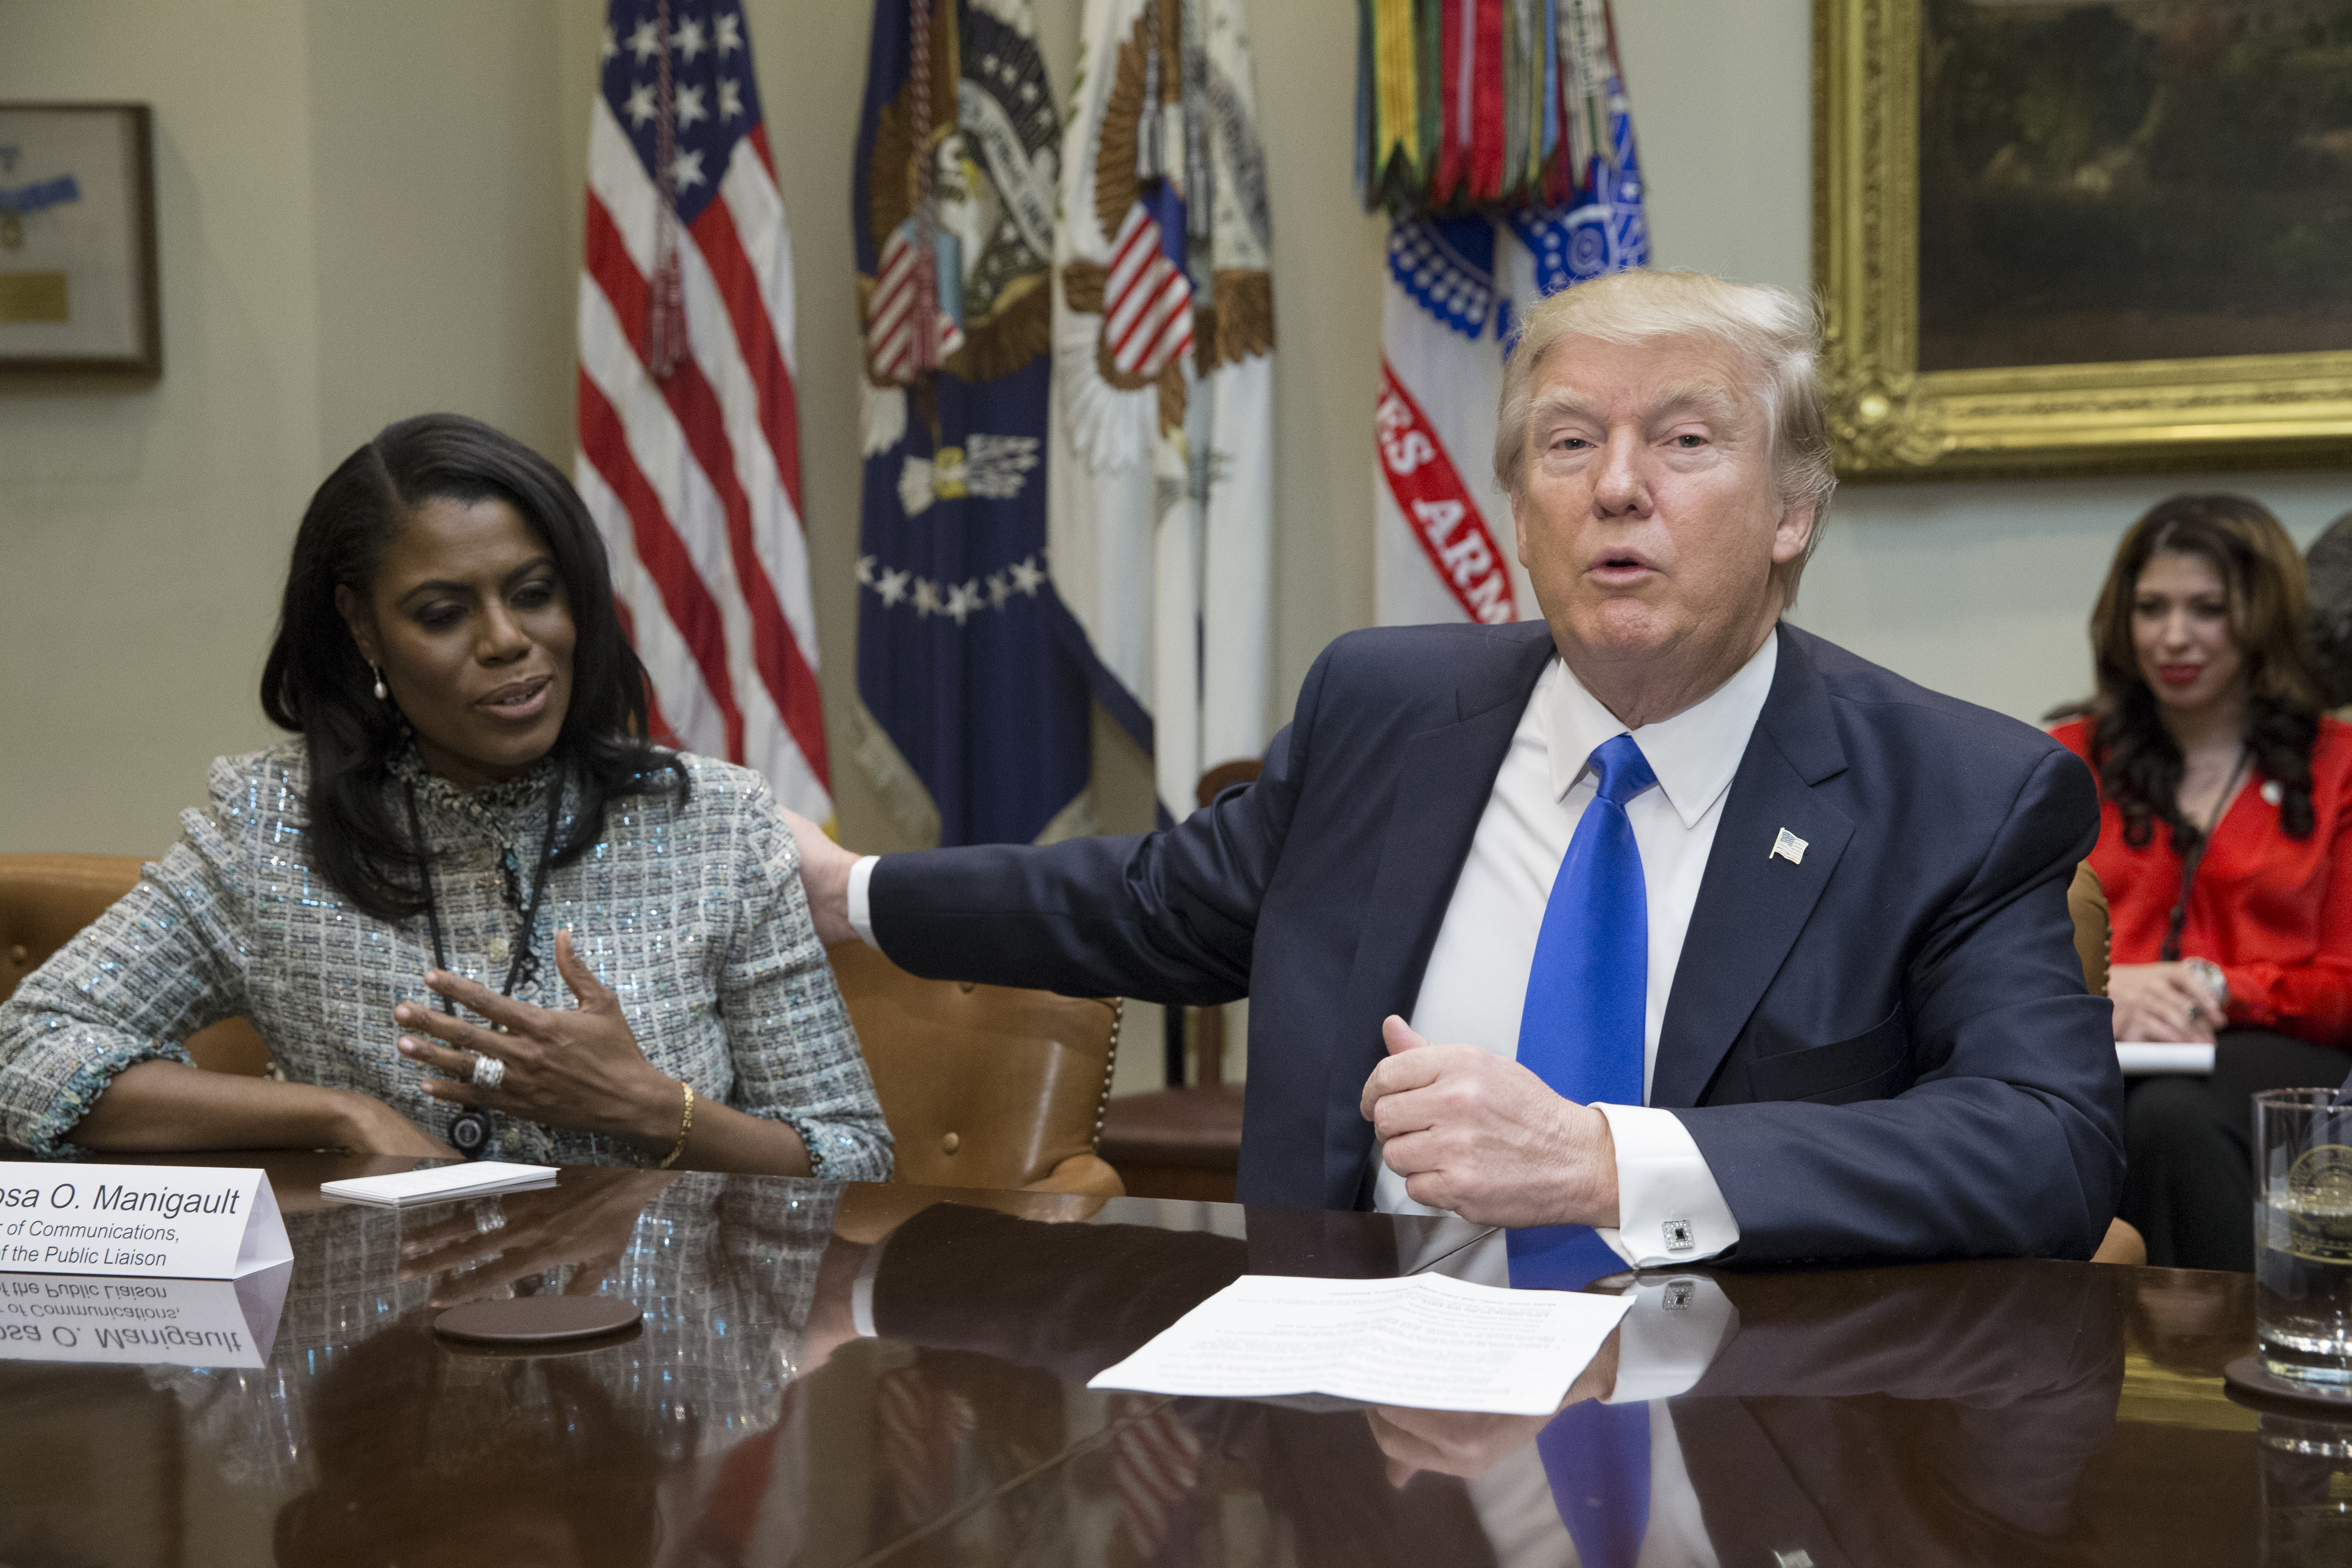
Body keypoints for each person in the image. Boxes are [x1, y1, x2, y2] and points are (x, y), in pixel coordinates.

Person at [783, 268, 2122, 1265]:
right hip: (1360, 1425)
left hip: (1737, 1433)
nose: (1617, 487)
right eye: (1569, 441)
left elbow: (2046, 1146)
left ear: (1793, 513)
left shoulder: (1959, 792)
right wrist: (852, 894)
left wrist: (1606, 1163)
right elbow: (1153, 903)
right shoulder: (1386, 708)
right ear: (1521, 512)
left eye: (1687, 441)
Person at [0, 414, 891, 1178]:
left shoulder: (714, 824)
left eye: (535, 595)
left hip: (664, 1352)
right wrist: (336, 1118)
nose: (508, 641)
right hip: (378, 1347)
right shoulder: (270, 827)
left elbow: (853, 1153)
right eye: (442, 612)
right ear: (362, 627)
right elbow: (29, 1052)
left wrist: (656, 1110)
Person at [2050, 494, 2352, 1270]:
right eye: (2152, 609)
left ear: (2264, 619)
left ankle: (2216, 1365)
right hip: (2101, 1047)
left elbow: (2344, 981)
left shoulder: (2338, 765)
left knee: (2169, 1117)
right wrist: (2109, 992)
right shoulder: (2064, 761)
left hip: (2280, 1052)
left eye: (2208, 609)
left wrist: (2210, 988)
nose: (2174, 638)